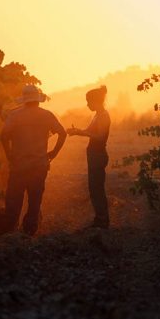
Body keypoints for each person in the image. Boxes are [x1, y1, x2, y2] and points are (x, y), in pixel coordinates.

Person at [1, 84, 66, 236]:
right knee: (35, 201)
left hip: (19, 165)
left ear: (24, 100)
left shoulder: (15, 115)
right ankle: (29, 232)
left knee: (13, 200)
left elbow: (3, 136)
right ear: (38, 100)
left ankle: (11, 231)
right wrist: (54, 153)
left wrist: (9, 155)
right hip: (39, 165)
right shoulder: (47, 115)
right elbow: (62, 133)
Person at [67, 85, 111, 229]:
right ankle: (100, 218)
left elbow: (99, 136)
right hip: (94, 154)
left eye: (88, 102)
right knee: (94, 188)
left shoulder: (104, 116)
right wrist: (77, 131)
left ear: (96, 101)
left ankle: (102, 220)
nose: (87, 105)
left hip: (98, 155)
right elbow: (89, 132)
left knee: (97, 188)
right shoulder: (97, 115)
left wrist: (83, 133)